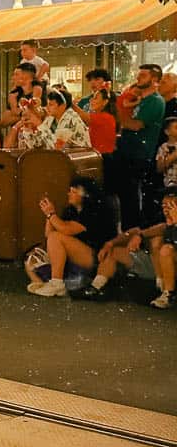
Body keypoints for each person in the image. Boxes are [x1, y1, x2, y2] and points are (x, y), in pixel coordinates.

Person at [71, 188, 177, 308]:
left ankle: (167, 292)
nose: (166, 210)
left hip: (169, 264)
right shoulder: (161, 220)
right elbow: (140, 230)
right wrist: (113, 243)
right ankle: (95, 287)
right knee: (114, 251)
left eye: (170, 206)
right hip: (153, 263)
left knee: (162, 246)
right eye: (164, 205)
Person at [25, 177, 114, 297]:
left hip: (94, 258)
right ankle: (40, 283)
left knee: (57, 237)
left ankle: (57, 284)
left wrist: (51, 214)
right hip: (73, 259)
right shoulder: (70, 210)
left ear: (85, 195)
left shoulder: (93, 211)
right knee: (31, 256)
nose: (69, 194)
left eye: (73, 191)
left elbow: (66, 229)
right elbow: (48, 234)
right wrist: (49, 216)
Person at [115, 65, 166, 229]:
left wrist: (121, 114)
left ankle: (133, 233)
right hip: (127, 151)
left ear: (154, 79)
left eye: (143, 76)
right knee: (125, 196)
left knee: (132, 198)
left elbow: (136, 125)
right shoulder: (139, 100)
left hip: (139, 155)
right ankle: (128, 231)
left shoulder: (156, 101)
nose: (138, 78)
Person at [157, 117, 177, 189]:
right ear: (167, 132)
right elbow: (159, 169)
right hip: (169, 185)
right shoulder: (163, 148)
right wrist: (171, 158)